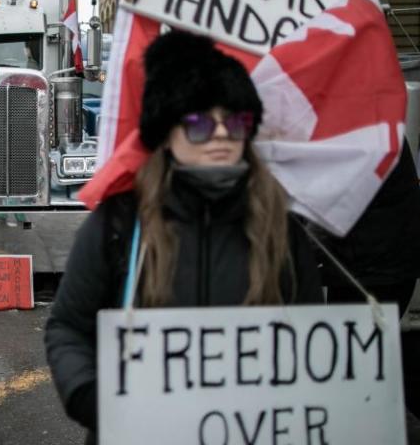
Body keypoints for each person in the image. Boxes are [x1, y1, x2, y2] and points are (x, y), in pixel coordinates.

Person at [44, 31, 323, 444]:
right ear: (167, 133)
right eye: (198, 124)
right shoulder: (121, 222)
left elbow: (311, 334)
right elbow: (68, 327)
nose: (222, 136)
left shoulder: (280, 227)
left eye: (236, 122)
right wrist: (94, 400)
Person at [316, 142, 420, 445]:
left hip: (374, 257)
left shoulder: (352, 119)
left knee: (370, 346)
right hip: (375, 253)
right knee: (365, 346)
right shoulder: (365, 110)